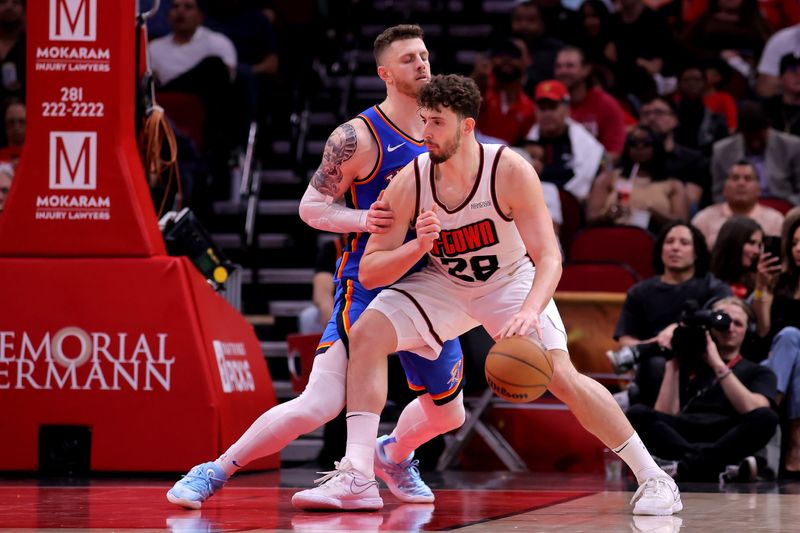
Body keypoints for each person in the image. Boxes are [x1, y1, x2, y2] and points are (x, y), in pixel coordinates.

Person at [292, 74, 682, 516]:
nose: (425, 133)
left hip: (509, 282)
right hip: (444, 283)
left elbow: (550, 258)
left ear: (467, 126)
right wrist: (417, 246)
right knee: (367, 334)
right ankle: (359, 474)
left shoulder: (508, 169)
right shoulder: (410, 181)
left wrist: (530, 310)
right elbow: (371, 269)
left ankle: (654, 477)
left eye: (437, 122)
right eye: (422, 121)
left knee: (561, 376)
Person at [166, 24, 465, 510]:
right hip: (372, 281)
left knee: (449, 414)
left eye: (425, 54)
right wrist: (364, 218)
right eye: (410, 58)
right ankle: (214, 471)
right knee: (320, 403)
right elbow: (310, 206)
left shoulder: (443, 129)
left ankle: (392, 454)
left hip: (431, 286)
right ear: (385, 72)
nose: (423, 64)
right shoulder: (357, 136)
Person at [626, 297, 778, 482]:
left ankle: (683, 467)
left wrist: (717, 364)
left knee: (767, 418)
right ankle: (716, 466)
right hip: (684, 433)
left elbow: (754, 408)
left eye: (737, 323)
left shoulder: (759, 371)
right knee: (637, 413)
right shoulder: (688, 363)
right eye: (723, 321)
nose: (730, 328)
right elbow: (665, 413)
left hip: (727, 434)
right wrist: (674, 360)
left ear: (748, 330)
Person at [610, 222, 732, 407]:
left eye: (684, 242)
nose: (675, 247)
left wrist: (678, 330)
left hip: (702, 358)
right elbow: (625, 340)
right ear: (660, 250)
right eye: (669, 242)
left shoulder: (713, 287)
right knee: (657, 364)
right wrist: (660, 342)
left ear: (697, 252)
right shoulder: (640, 292)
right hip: (655, 363)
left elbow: (723, 319)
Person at [523, 79, 605, 203]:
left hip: (573, 206)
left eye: (552, 107)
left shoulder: (586, 146)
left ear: (567, 109)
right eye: (542, 108)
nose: (547, 114)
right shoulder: (525, 143)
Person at [711, 101, 800, 206]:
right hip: (737, 208)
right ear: (741, 133)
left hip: (783, 205)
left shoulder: (792, 146)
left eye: (758, 135)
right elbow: (718, 194)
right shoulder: (722, 150)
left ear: (767, 128)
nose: (755, 143)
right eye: (750, 136)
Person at [693, 161, 784, 249]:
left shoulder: (775, 221)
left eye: (748, 178)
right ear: (724, 188)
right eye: (735, 178)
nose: (741, 183)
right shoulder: (704, 220)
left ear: (759, 189)